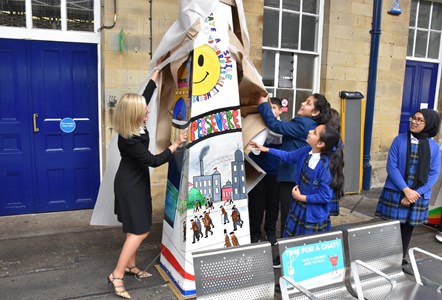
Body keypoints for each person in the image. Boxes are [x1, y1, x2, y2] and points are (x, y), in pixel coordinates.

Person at [107, 67, 188, 299]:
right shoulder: (130, 139)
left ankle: (131, 266)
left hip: (136, 181)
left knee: (135, 227)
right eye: (144, 110)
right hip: (129, 185)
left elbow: (147, 94)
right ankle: (117, 275)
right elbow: (153, 161)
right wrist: (176, 144)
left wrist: (157, 71)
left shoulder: (134, 122)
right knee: (140, 231)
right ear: (134, 115)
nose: (149, 110)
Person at [256, 93, 332, 238]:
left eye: (308, 103)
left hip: (292, 178)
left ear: (315, 112)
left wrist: (263, 105)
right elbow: (289, 154)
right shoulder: (310, 129)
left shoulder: (304, 123)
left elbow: (275, 125)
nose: (303, 103)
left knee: (289, 218)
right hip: (294, 176)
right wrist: (267, 149)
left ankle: (286, 253)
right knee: (291, 217)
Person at [249, 124, 344, 238]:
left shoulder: (325, 167)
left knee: (309, 247)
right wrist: (266, 149)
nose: (309, 131)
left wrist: (301, 197)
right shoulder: (307, 150)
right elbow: (289, 156)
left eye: (314, 132)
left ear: (320, 144)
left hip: (313, 215)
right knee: (292, 240)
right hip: (298, 207)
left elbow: (325, 196)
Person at [375, 109, 441, 265]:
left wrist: (415, 193)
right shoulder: (399, 140)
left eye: (419, 120)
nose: (414, 122)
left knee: (407, 228)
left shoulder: (434, 147)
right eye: (414, 118)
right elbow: (392, 167)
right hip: (397, 191)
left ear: (429, 124)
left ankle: (400, 258)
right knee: (391, 227)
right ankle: (383, 258)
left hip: (417, 194)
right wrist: (406, 190)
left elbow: (433, 174)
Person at [248, 97, 283, 244]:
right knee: (256, 204)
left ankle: (270, 232)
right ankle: (254, 234)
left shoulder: (281, 127)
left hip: (274, 172)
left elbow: (278, 137)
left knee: (273, 204)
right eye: (268, 108)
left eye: (274, 107)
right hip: (257, 171)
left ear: (280, 110)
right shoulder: (256, 126)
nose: (271, 110)